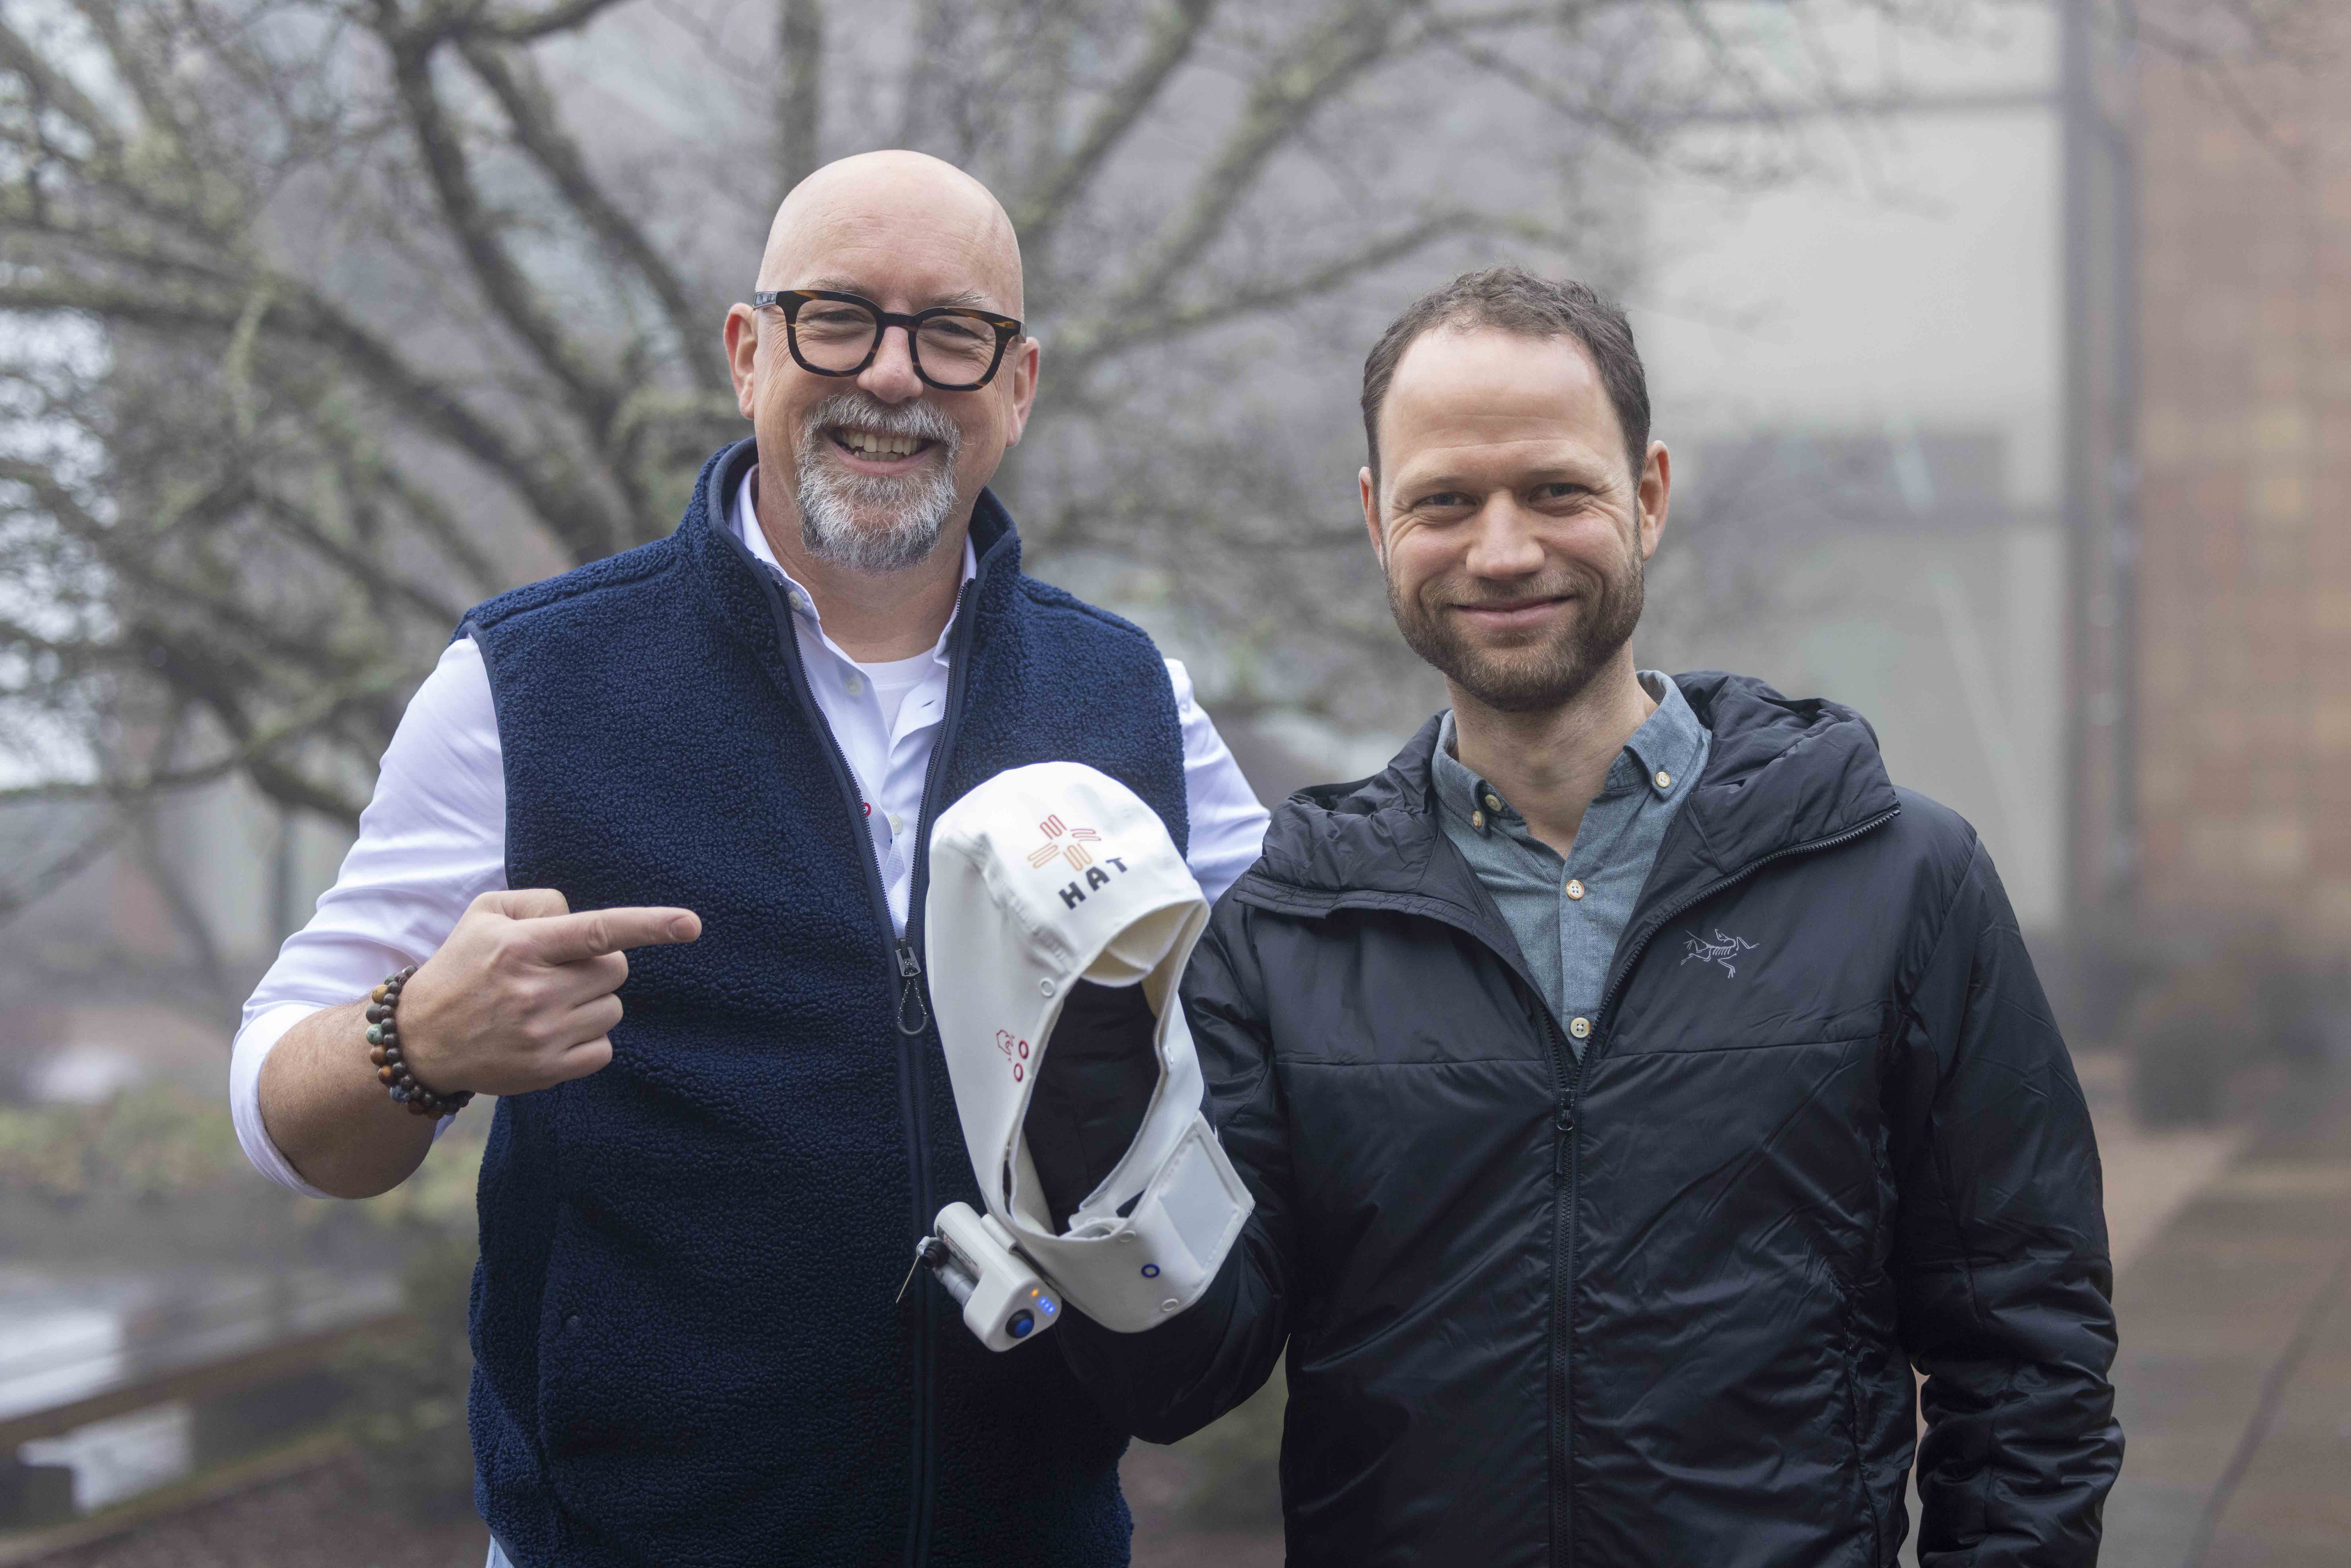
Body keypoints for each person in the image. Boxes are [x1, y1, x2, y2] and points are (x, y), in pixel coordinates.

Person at [228, 150, 1269, 1568]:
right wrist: (418, 1039)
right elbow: (276, 1102)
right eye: (837, 317)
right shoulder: (528, 684)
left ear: (1017, 387)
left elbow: (1295, 1024)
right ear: (747, 351)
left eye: (951, 333)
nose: (892, 378)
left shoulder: (1131, 699)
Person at [1060, 266, 2123, 1565]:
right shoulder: (1287, 928)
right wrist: (1078, 1072)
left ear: (1650, 494)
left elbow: (2027, 1358)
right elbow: (1181, 1377)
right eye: (1443, 501)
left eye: (1554, 491)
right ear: (1373, 520)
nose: (1501, 550)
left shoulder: (1899, 878)